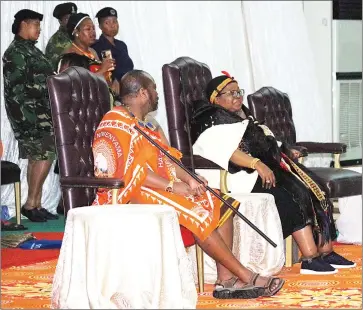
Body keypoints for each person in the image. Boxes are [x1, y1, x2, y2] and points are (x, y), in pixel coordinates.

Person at [92, 70, 285, 299]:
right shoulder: (115, 122)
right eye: (153, 88)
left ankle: (226, 281)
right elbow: (127, 171)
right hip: (126, 193)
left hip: (154, 186)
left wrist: (189, 178)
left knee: (220, 202)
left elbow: (167, 159)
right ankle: (246, 275)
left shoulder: (146, 125)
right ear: (143, 93)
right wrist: (173, 187)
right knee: (198, 212)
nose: (157, 94)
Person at [190, 72, 356, 275]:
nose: (238, 96)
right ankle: (310, 257)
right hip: (238, 178)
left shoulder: (243, 117)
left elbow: (265, 141)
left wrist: (284, 151)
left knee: (312, 187)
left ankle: (325, 250)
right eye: (231, 93)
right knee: (289, 195)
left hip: (259, 172)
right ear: (215, 98)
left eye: (239, 92)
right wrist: (257, 164)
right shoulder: (211, 118)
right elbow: (228, 151)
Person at [2, 9, 59, 222]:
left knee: (41, 156)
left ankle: (35, 203)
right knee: (42, 155)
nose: (39, 30)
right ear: (24, 25)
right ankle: (30, 204)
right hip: (28, 113)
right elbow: (20, 86)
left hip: (40, 112)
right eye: (35, 25)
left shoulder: (31, 50)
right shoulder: (16, 52)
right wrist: (53, 84)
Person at [61, 12, 115, 86]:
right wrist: (103, 70)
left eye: (93, 28)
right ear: (76, 32)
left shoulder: (92, 51)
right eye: (88, 29)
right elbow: (79, 85)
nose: (93, 32)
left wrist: (107, 71)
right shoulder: (69, 56)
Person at [91, 7, 134, 95]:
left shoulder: (121, 45)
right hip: (110, 91)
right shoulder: (97, 47)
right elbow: (107, 71)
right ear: (100, 26)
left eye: (115, 21)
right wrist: (116, 79)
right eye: (107, 22)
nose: (112, 25)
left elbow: (128, 66)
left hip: (128, 87)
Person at [45, 2, 77, 71]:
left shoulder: (80, 34)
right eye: (67, 19)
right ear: (60, 21)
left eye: (73, 17)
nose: (71, 21)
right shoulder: (55, 42)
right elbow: (52, 71)